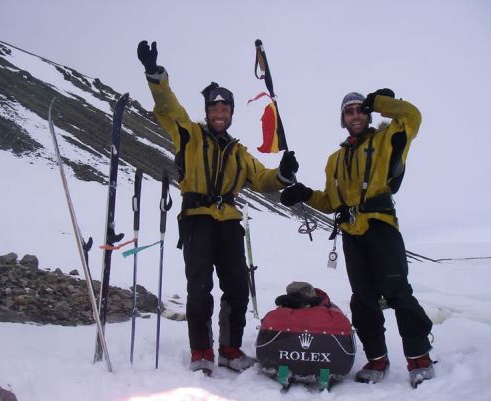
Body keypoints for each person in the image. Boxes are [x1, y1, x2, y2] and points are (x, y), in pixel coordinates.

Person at [137, 40, 298, 375]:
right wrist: (156, 76)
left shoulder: (239, 153)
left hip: (228, 222)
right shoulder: (189, 135)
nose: (220, 114)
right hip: (196, 219)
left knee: (237, 286)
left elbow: (263, 179)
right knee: (199, 288)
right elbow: (169, 107)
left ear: (231, 114)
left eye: (225, 110)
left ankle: (230, 349)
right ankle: (201, 353)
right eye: (215, 109)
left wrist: (283, 173)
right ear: (208, 112)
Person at [280, 89, 435, 386]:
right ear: (342, 119)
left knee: (398, 293)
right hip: (351, 233)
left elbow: (412, 115)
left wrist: (379, 103)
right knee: (362, 300)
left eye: (360, 110)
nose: (355, 115)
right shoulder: (334, 160)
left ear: (368, 114)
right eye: (349, 111)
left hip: (381, 225)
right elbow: (331, 201)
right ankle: (377, 359)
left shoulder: (386, 139)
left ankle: (420, 357)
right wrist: (305, 194)